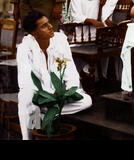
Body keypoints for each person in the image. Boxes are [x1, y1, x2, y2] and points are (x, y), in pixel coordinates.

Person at [17, 10, 92, 140]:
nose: (51, 26)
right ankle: (28, 137)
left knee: (86, 101)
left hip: (58, 98)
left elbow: (70, 70)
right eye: (44, 26)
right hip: (39, 96)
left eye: (48, 23)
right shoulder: (24, 48)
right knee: (26, 97)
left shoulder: (60, 41)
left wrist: (68, 90)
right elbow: (26, 80)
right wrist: (48, 94)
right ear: (34, 33)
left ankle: (44, 112)